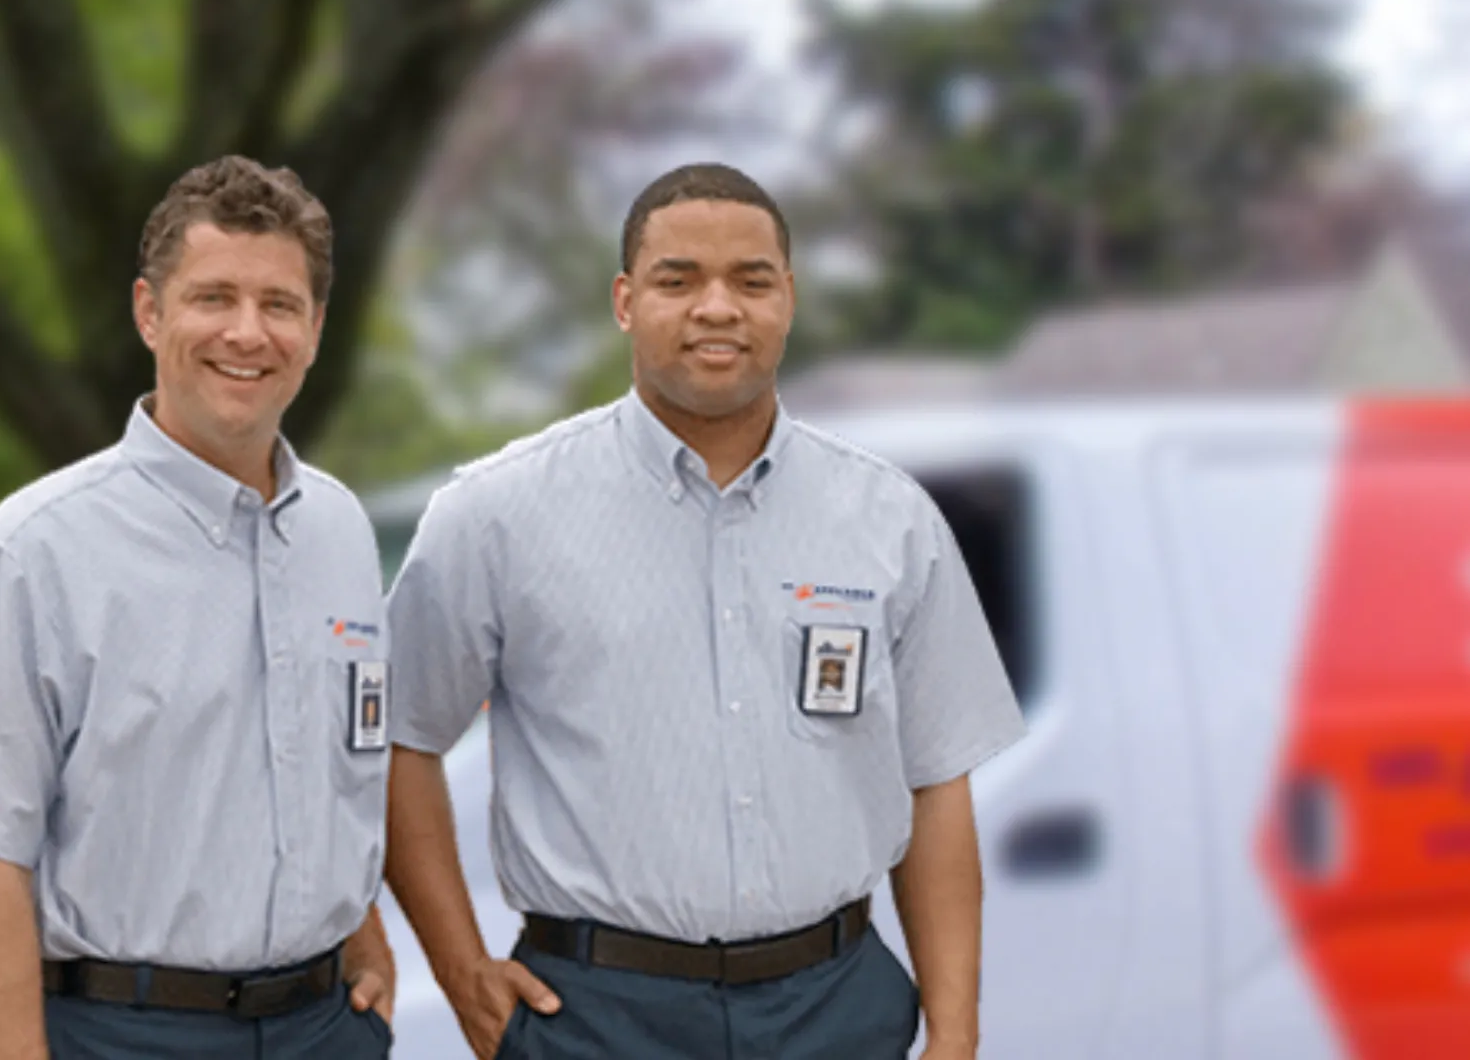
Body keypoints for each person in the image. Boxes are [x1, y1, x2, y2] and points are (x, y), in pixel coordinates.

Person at [384, 162, 1025, 1059]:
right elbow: (399, 740)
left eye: (751, 281)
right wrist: (463, 978)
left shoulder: (892, 519)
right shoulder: (494, 516)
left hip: (838, 1009)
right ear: (623, 300)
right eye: (677, 280)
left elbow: (936, 782)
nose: (717, 308)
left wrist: (955, 1032)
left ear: (789, 300)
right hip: (598, 1018)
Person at [0, 156, 396, 1060]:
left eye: (279, 304)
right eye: (213, 298)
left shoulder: (343, 534)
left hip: (327, 1032)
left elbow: (337, 768)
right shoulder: (32, 553)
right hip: (126, 1037)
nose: (248, 332)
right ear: (149, 313)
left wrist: (360, 927)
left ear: (315, 329)